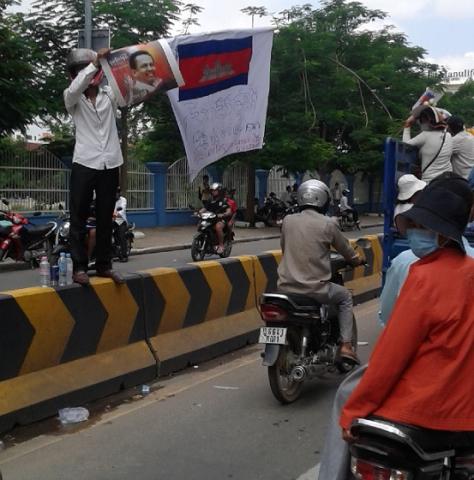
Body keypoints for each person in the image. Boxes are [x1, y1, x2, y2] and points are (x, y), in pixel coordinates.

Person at [318, 173, 474, 480]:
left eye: (421, 226)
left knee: (347, 403)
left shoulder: (423, 275)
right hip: (466, 421)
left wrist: (355, 412)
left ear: (442, 234)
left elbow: (391, 357)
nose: (415, 232)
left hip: (421, 413)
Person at [277, 179, 365, 364]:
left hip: (285, 288)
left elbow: (286, 249)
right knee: (345, 297)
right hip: (315, 290)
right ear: (324, 199)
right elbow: (345, 250)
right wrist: (357, 259)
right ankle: (347, 346)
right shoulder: (328, 223)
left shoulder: (288, 220)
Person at [64, 48, 124, 285]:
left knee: (105, 218)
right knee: (78, 218)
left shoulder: (109, 95)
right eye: (79, 70)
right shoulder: (72, 98)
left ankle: (104, 266)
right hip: (84, 163)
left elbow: (130, 91)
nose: (85, 75)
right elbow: (75, 87)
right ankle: (79, 268)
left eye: (87, 69)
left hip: (110, 162)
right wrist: (93, 64)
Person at [403, 106, 453, 183]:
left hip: (430, 181)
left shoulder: (425, 135)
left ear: (429, 121)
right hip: (448, 179)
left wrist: (407, 126)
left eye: (422, 120)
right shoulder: (448, 135)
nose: (420, 123)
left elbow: (405, 146)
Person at [202, 183, 232, 255]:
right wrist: (198, 213)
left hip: (221, 219)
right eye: (212, 190)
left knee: (218, 227)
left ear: (219, 191)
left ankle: (221, 245)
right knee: (201, 225)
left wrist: (224, 214)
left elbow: (229, 210)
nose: (213, 192)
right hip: (211, 218)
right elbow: (204, 208)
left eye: (215, 190)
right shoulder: (210, 200)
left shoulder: (223, 200)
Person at [113, 187, 129, 262]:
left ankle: (124, 255)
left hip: (121, 221)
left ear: (119, 193)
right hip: (111, 221)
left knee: (122, 236)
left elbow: (122, 210)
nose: (115, 194)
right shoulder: (109, 199)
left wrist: (116, 214)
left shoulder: (123, 200)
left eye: (117, 192)